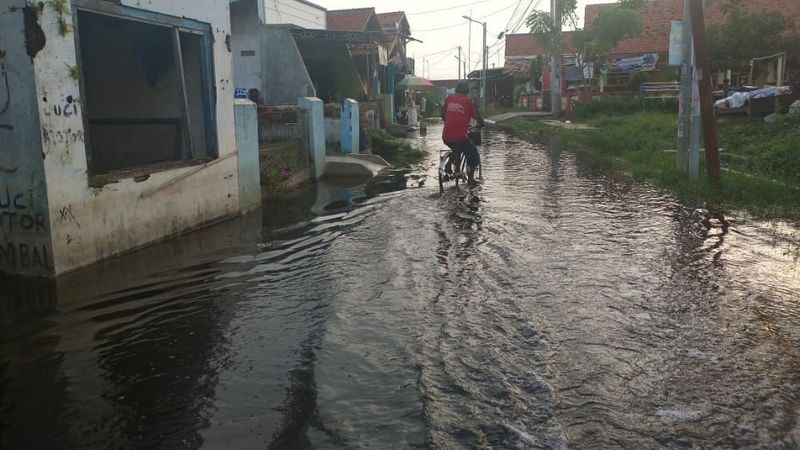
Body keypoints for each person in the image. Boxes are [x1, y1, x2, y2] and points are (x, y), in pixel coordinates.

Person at [442, 81, 484, 187]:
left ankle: (449, 164)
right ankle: (470, 179)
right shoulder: (468, 102)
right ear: (467, 90)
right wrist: (481, 124)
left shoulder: (449, 99)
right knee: (473, 153)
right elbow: (477, 116)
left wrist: (450, 122)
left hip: (446, 136)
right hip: (460, 137)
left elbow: (443, 115)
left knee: (456, 147)